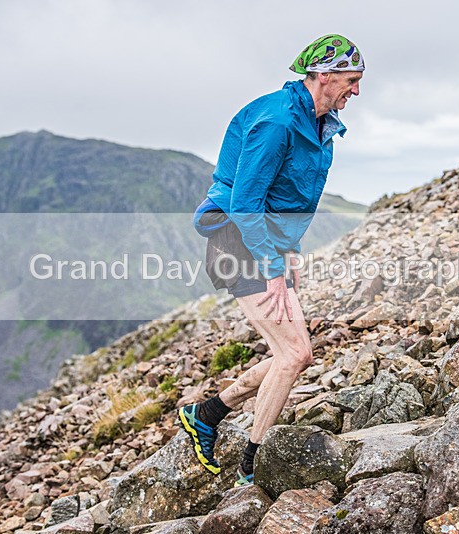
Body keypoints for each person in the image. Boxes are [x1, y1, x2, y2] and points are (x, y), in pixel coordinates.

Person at [179, 34, 364, 487]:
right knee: (296, 352)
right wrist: (272, 264)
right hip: (238, 240)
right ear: (324, 75)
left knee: (291, 352)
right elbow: (245, 202)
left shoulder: (323, 128)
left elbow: (289, 197)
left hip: (267, 245)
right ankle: (252, 464)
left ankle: (206, 414)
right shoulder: (278, 122)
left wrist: (290, 251)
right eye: (351, 80)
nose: (356, 91)